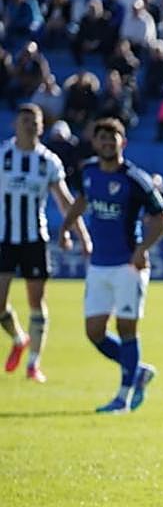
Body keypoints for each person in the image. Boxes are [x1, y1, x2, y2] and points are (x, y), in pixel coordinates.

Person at [59, 118, 163, 413]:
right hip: (98, 265)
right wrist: (66, 226)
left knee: (126, 329)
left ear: (124, 142)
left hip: (127, 266)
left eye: (114, 138)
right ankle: (139, 372)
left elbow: (162, 219)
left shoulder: (135, 179)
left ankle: (123, 396)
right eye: (103, 139)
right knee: (94, 332)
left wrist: (143, 249)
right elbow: (82, 200)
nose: (108, 143)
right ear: (95, 143)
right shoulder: (89, 171)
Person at [0, 104, 90, 382]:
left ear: (42, 126)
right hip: (4, 238)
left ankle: (33, 364)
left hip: (34, 240)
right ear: (16, 124)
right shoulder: (3, 155)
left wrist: (82, 237)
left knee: (36, 301)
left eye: (35, 122)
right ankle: (19, 338)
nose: (30, 126)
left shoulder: (48, 161)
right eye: (25, 121)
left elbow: (65, 203)